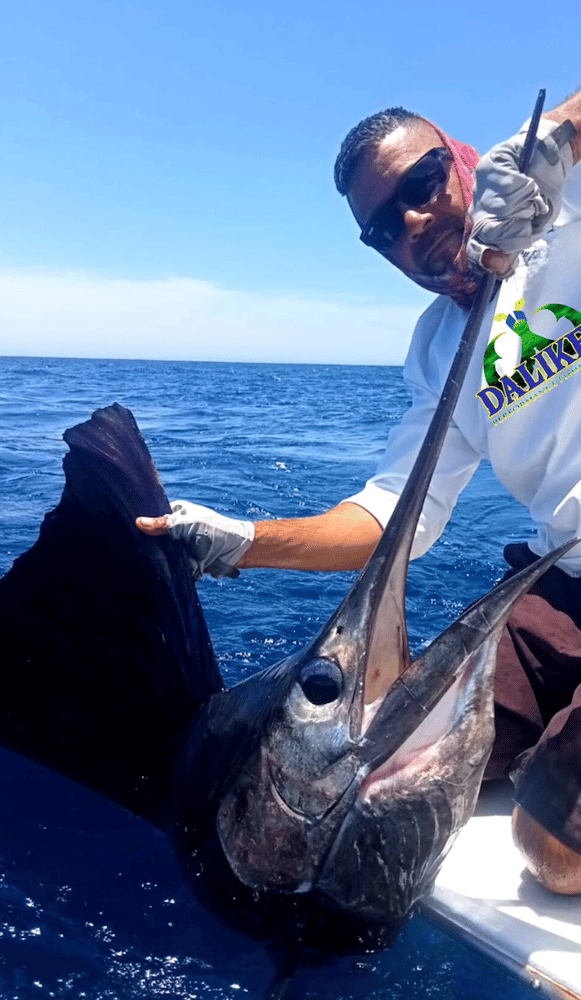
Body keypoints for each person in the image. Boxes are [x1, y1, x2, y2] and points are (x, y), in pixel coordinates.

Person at [137, 90, 581, 892]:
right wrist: (244, 540)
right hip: (567, 584)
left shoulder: (568, 210)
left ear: (466, 159)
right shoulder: (440, 343)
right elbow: (393, 517)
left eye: (420, 185)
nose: (409, 224)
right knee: (375, 751)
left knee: (553, 849)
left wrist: (554, 144)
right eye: (383, 228)